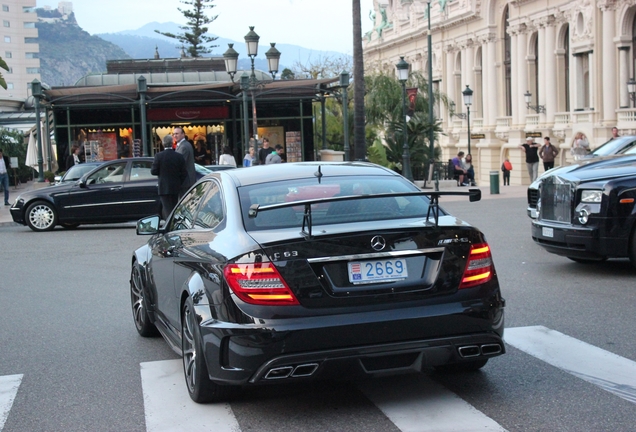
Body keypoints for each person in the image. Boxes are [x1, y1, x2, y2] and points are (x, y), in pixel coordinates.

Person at [151, 135, 187, 220]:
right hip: (175, 187)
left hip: (163, 187)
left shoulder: (158, 156)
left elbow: (153, 171)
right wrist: (179, 182)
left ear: (163, 144)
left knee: (167, 209)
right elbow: (184, 173)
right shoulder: (178, 156)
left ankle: (169, 225)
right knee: (174, 207)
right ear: (172, 143)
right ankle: (174, 222)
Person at [173, 127, 196, 197]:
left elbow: (179, 163)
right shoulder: (183, 145)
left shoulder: (184, 146)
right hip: (186, 180)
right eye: (174, 134)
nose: (175, 136)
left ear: (183, 134)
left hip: (185, 181)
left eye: (177, 134)